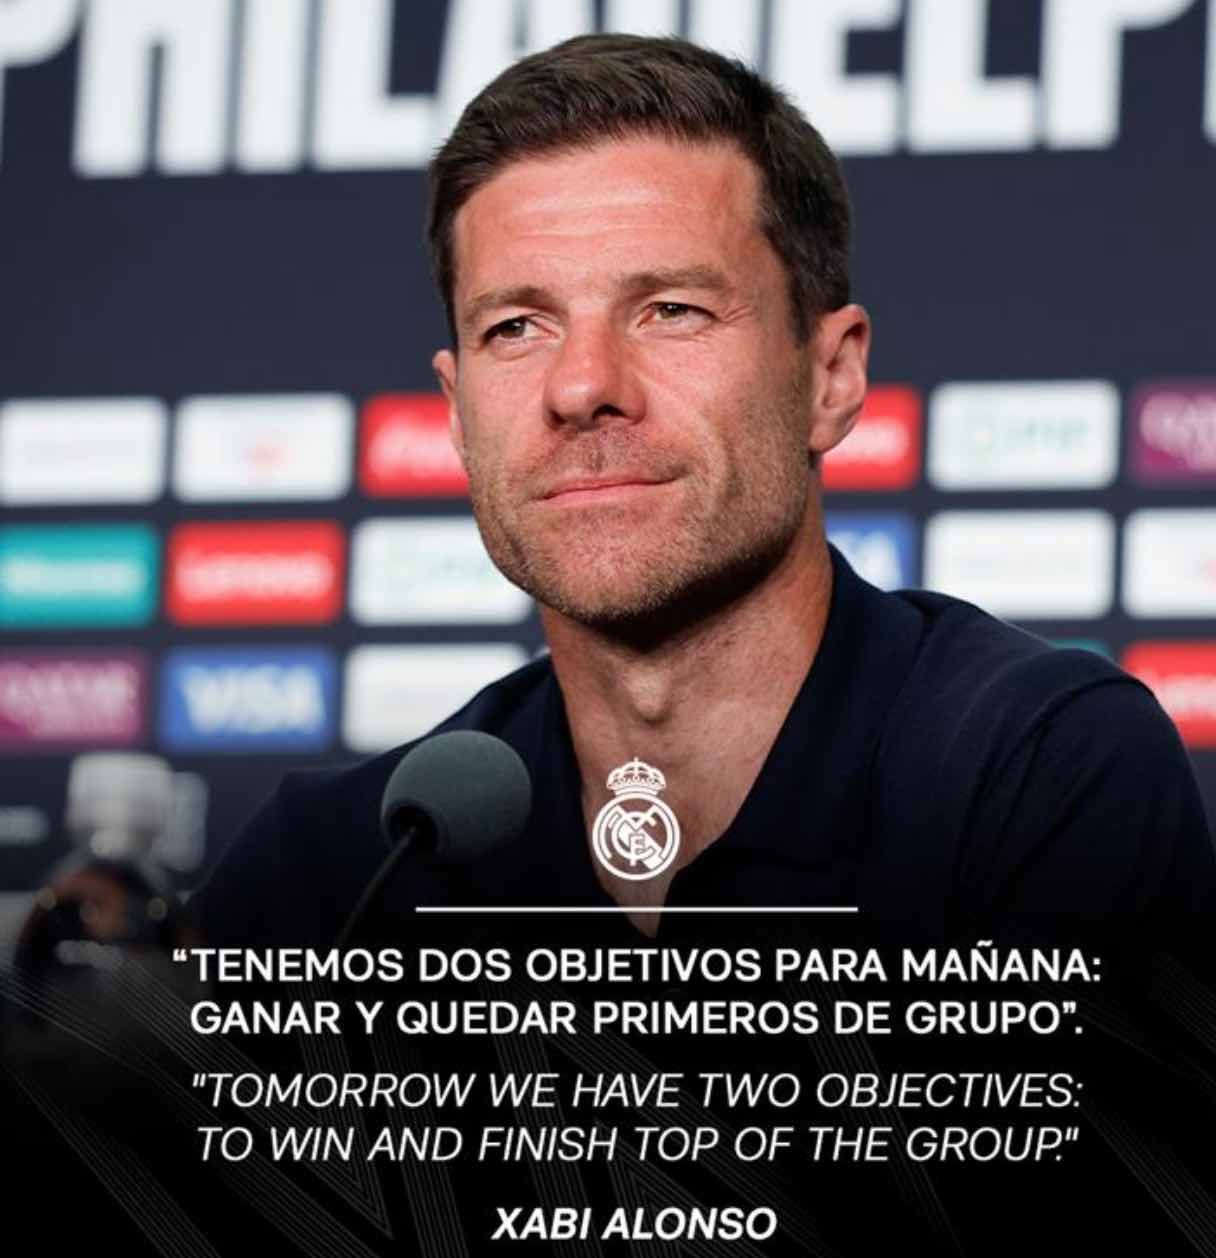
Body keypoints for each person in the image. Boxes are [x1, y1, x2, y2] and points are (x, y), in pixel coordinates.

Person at [194, 33, 1212, 952]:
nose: (581, 387)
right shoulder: (339, 869)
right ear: (458, 414)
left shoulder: (1038, 769)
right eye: (516, 327)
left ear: (830, 377)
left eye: (671, 309)